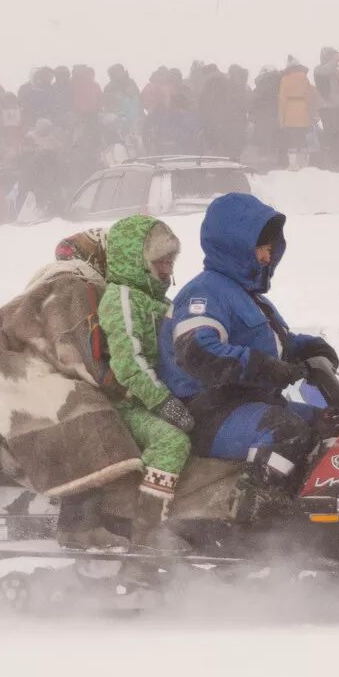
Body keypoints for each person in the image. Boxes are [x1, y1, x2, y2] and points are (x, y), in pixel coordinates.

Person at [158, 192, 332, 498]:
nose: (267, 255)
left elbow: (277, 346)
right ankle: (254, 519)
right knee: (286, 433)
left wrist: (310, 350)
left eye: (270, 247)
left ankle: (321, 510)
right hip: (209, 411)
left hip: (251, 404)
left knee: (330, 424)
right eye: (261, 247)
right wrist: (260, 367)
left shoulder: (250, 298)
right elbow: (197, 352)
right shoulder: (204, 293)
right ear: (235, 245)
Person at [0, 230, 142, 550]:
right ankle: (83, 527)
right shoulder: (73, 288)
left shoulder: (29, 293)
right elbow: (80, 354)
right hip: (46, 391)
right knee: (93, 419)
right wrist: (126, 387)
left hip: (15, 396)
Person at [95, 215, 191, 556]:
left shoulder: (163, 304)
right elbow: (129, 364)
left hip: (155, 398)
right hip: (125, 404)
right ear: (137, 261)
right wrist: (163, 403)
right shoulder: (120, 297)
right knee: (171, 441)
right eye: (159, 262)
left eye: (170, 262)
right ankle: (148, 533)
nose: (166, 270)